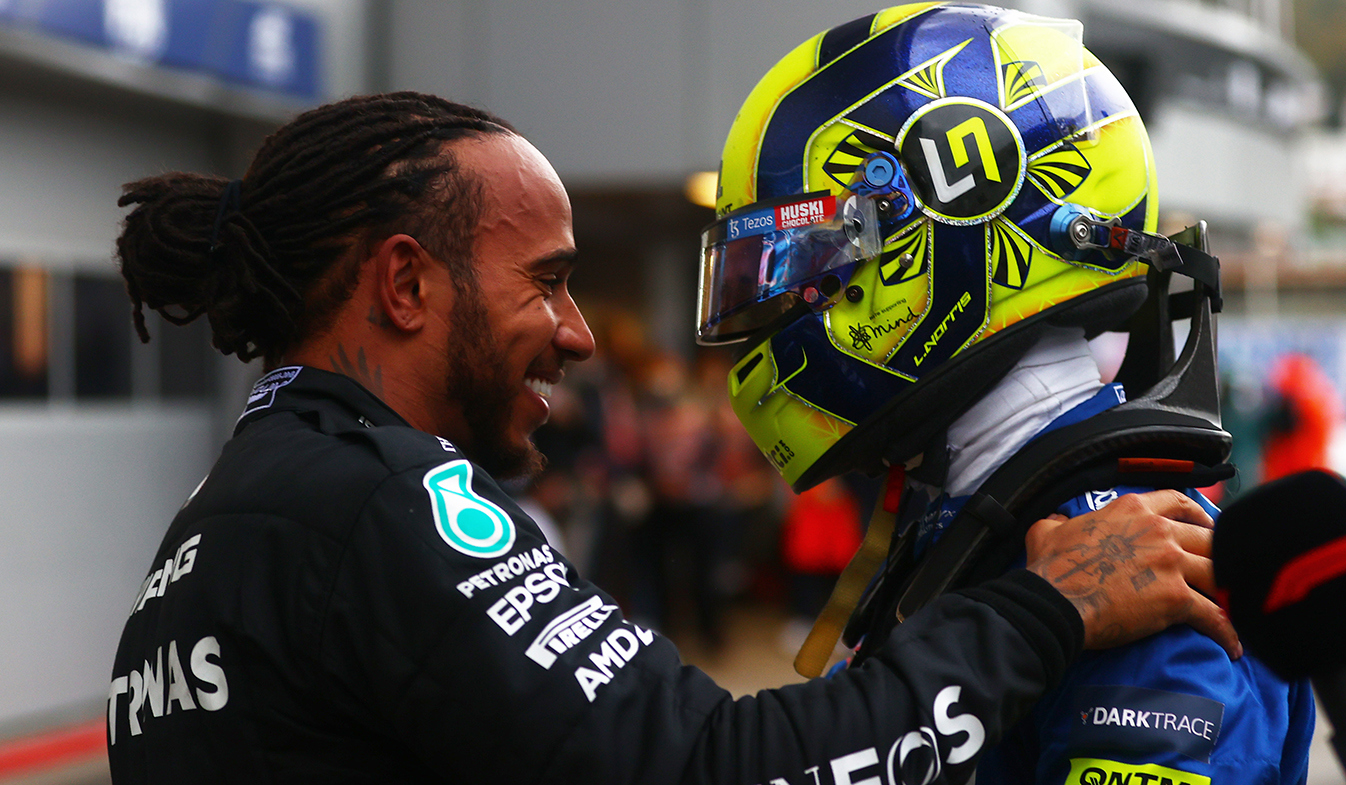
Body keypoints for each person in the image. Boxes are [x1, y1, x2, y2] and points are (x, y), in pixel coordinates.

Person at [108, 90, 1234, 783]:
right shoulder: (382, 503)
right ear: (406, 282)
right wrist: (1043, 608)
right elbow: (710, 768)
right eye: (546, 282)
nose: (580, 333)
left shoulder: (217, 526)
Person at [697, 4, 1313, 785]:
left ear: (945, 224)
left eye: (798, 270)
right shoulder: (976, 522)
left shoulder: (1154, 576)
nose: (777, 312)